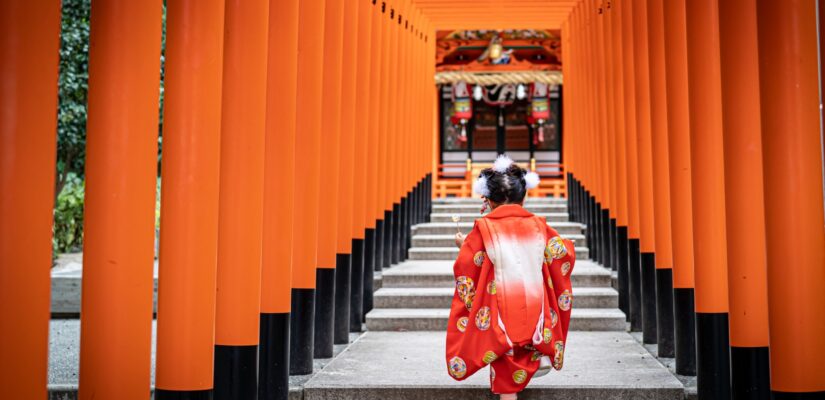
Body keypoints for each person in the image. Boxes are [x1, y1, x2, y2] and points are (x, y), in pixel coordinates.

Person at [445, 155, 576, 400]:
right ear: (523, 196)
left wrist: (464, 246)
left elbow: (469, 261)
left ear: (489, 200)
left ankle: (510, 391)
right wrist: (570, 246)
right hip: (534, 302)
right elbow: (560, 254)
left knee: (503, 350)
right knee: (525, 342)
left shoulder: (483, 227)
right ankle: (530, 366)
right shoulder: (538, 225)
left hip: (500, 304)